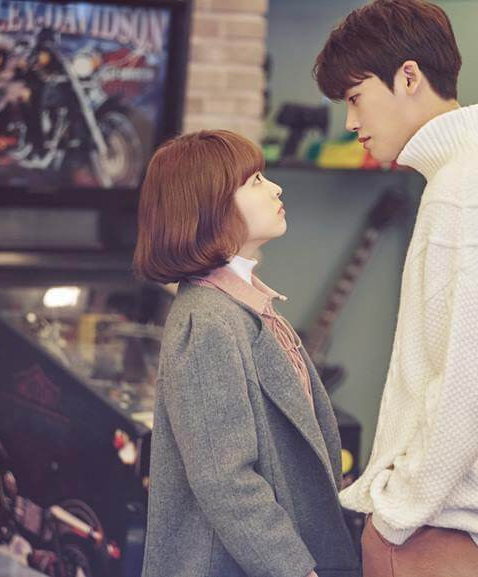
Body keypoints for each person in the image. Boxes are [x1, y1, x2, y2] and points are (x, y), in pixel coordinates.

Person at [313, 2, 478, 576]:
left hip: (435, 533)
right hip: (452, 529)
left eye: (356, 97)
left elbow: (474, 375)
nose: (351, 122)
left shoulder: (467, 185)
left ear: (409, 77)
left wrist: (398, 512)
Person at [133, 129, 360, 577]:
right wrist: (295, 570)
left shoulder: (243, 306)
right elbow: (225, 479)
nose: (276, 188)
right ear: (213, 207)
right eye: (255, 181)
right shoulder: (207, 321)